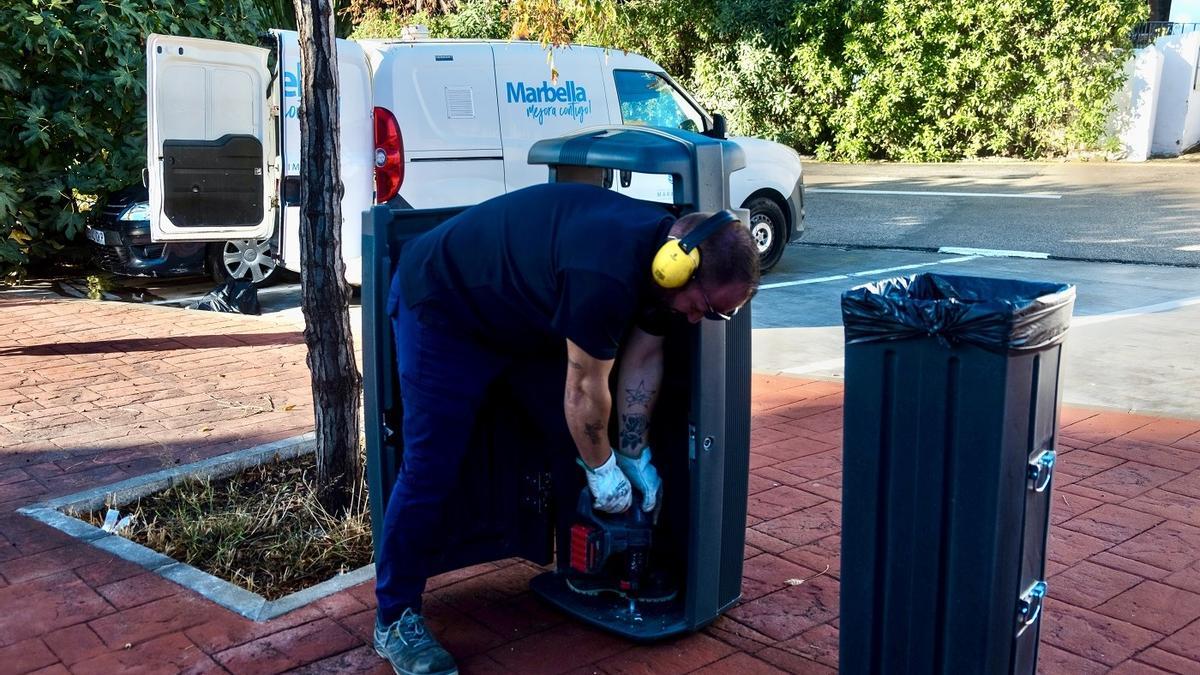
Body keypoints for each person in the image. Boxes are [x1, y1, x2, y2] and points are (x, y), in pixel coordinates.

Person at [374, 181, 760, 675]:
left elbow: (643, 357)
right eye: (705, 307)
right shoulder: (606, 271)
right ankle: (394, 617)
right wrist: (603, 473)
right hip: (444, 307)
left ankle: (590, 567)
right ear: (677, 265)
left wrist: (632, 456)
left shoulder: (660, 275)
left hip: (520, 319)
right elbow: (583, 391)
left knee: (570, 439)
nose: (698, 320)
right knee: (430, 467)